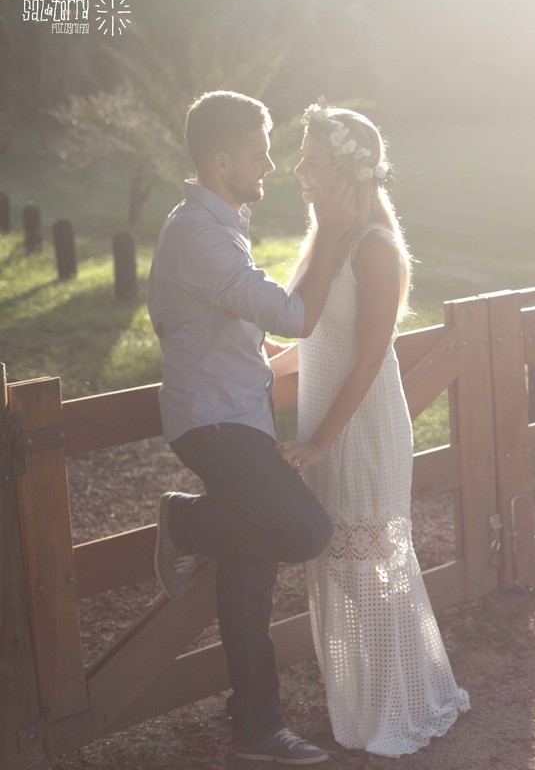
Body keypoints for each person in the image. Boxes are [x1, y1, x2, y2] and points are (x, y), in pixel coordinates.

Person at [270, 100, 470, 757]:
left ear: (350, 173)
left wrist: (322, 439)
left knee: (369, 568)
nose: (297, 169)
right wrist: (265, 369)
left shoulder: (375, 248)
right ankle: (357, 705)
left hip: (362, 424)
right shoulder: (326, 237)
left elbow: (366, 356)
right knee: (333, 566)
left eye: (311, 160)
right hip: (324, 419)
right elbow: (311, 335)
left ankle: (396, 706)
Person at [147, 90, 337, 765]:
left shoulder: (218, 223)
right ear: (221, 158)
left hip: (238, 416)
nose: (270, 161)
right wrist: (341, 228)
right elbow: (289, 313)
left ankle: (257, 729)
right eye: (258, 149)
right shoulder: (198, 235)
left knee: (250, 577)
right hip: (215, 423)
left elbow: (218, 327)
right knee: (306, 530)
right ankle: (185, 523)